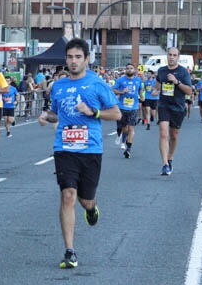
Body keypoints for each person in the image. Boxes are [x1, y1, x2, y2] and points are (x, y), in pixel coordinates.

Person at [38, 39, 120, 268]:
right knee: (67, 195)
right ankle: (70, 251)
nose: (73, 61)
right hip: (64, 148)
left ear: (86, 59)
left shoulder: (97, 84)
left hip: (90, 148)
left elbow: (116, 114)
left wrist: (93, 112)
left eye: (77, 57)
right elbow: (56, 114)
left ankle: (92, 209)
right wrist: (46, 117)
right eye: (70, 57)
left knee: (85, 200)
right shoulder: (59, 86)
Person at [149, 47, 194, 176]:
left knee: (174, 135)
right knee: (163, 133)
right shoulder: (162, 71)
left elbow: (189, 91)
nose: (172, 57)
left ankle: (170, 157)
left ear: (178, 57)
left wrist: (176, 82)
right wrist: (155, 90)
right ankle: (165, 164)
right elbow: (158, 85)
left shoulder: (183, 72)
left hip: (178, 106)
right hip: (164, 105)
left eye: (174, 55)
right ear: (167, 56)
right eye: (169, 54)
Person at [112, 63, 142, 159]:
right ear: (125, 70)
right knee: (125, 129)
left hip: (133, 107)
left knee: (131, 129)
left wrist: (141, 96)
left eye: (131, 68)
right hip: (122, 107)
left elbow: (140, 90)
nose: (129, 70)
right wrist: (121, 92)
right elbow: (113, 90)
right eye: (127, 68)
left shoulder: (138, 80)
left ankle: (128, 149)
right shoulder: (121, 80)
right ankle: (124, 137)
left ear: (134, 70)